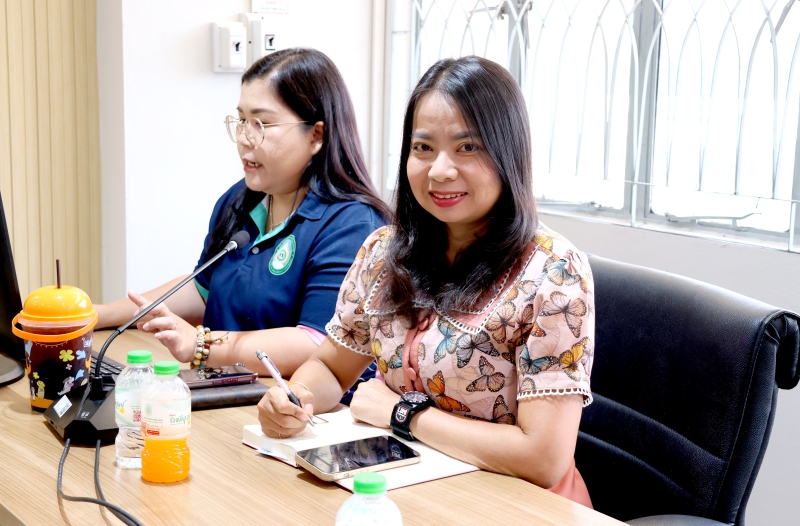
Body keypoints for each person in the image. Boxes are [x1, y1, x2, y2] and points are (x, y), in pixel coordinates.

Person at [257, 56, 595, 507]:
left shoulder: (554, 273)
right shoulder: (383, 251)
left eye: (467, 147)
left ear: (508, 152)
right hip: (414, 489)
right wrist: (295, 398)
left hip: (521, 507)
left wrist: (403, 415)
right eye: (423, 148)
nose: (439, 171)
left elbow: (544, 458)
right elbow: (332, 368)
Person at [95, 48, 391, 402]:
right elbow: (203, 289)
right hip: (228, 397)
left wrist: (202, 345)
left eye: (262, 124)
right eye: (241, 121)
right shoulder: (240, 200)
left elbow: (317, 342)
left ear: (316, 136)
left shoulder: (353, 224)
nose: (244, 138)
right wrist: (98, 315)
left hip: (305, 412)